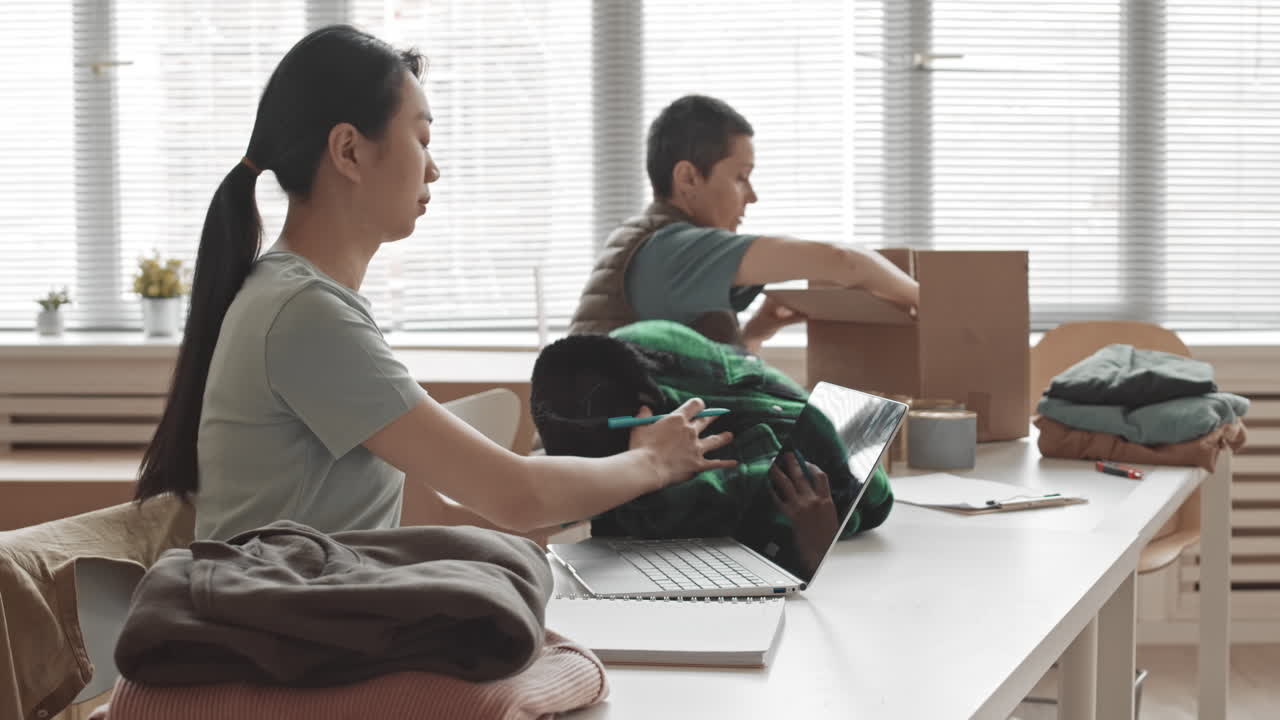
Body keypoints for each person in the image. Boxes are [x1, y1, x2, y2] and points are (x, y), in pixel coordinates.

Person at [134, 25, 736, 542]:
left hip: (304, 629)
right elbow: (514, 495)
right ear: (349, 151)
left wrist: (561, 517)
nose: (435, 167)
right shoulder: (304, 312)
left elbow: (430, 515)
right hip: (284, 658)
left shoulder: (301, 299)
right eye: (421, 139)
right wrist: (655, 460)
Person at [569, 94, 920, 352]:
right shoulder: (672, 251)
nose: (751, 196)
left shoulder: (646, 241)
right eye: (741, 177)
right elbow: (843, 261)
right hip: (607, 453)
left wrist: (754, 335)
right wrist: (928, 301)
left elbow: (708, 385)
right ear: (688, 177)